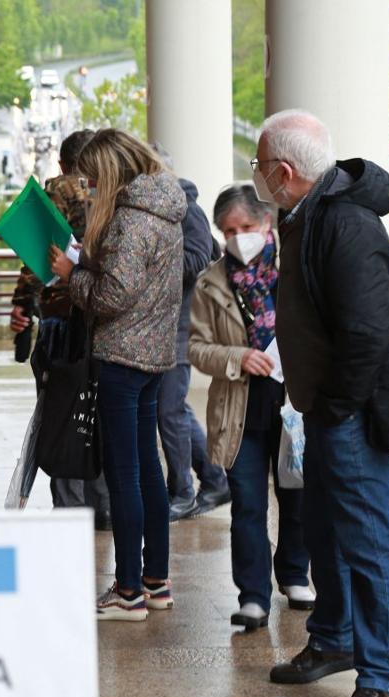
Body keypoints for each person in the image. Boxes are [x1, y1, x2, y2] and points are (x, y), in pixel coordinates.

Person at [253, 109, 389, 697]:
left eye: (260, 168)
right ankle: (334, 635)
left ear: (284, 172)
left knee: (366, 539)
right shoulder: (306, 215)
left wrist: (336, 405)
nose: (257, 178)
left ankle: (377, 678)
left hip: (349, 411)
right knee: (324, 528)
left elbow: (368, 333)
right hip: (323, 406)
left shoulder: (344, 223)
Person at [49, 129, 185, 621]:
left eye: (92, 176)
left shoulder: (132, 220)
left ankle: (127, 590)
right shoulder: (165, 207)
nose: (88, 186)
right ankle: (156, 580)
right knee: (148, 470)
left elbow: (111, 297)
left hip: (121, 357)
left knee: (125, 474)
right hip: (151, 356)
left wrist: (71, 275)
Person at [188, 183, 313, 631]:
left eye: (246, 226)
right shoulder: (211, 282)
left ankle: (295, 575)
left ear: (266, 224)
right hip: (238, 410)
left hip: (293, 406)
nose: (238, 237)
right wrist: (237, 358)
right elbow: (197, 348)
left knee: (297, 496)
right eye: (228, 230)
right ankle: (254, 596)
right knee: (247, 505)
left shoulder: (296, 270)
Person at [9, 129, 112, 530]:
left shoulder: (61, 191)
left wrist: (22, 303)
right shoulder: (115, 192)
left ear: (65, 164)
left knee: (63, 410)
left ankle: (69, 506)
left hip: (62, 318)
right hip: (104, 318)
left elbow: (40, 255)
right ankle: (103, 504)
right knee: (98, 412)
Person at [150, 144, 230, 521]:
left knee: (169, 411)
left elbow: (199, 258)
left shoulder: (186, 209)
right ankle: (214, 479)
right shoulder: (154, 210)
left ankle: (182, 491)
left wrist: (151, 265)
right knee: (173, 410)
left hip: (179, 325)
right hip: (157, 327)